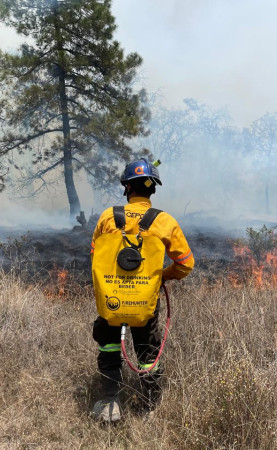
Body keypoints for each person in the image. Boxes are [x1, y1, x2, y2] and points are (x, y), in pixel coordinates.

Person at [89, 158, 195, 423]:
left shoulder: (108, 217)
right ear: (153, 189)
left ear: (127, 187)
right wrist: (160, 277)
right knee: (147, 351)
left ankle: (111, 403)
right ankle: (150, 407)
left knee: (109, 346)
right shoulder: (164, 221)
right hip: (145, 301)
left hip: (111, 299)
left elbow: (95, 258)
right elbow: (185, 264)